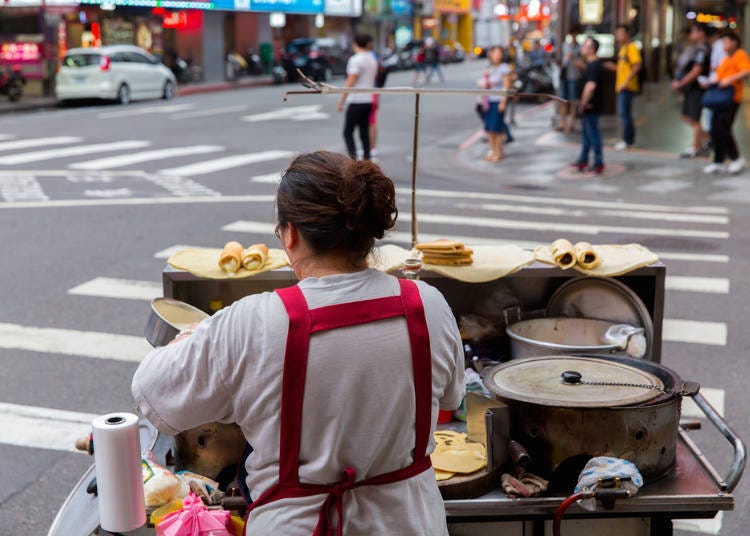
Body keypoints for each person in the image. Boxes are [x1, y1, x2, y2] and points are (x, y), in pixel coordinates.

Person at [132, 151, 465, 535]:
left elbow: (151, 391)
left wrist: (188, 340)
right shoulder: (428, 306)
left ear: (290, 235)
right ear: (367, 234)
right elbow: (453, 398)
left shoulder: (252, 322)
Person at [702, 31, 750, 175]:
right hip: (720, 99)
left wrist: (730, 79)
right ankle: (718, 161)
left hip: (731, 98)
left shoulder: (740, 55)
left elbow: (746, 71)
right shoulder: (726, 59)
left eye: (726, 42)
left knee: (723, 128)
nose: (724, 45)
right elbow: (720, 75)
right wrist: (711, 81)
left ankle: (736, 158)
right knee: (716, 129)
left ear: (734, 42)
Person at [671, 23, 711, 158]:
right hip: (691, 87)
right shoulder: (695, 48)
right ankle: (707, 140)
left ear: (701, 33)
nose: (691, 35)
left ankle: (695, 146)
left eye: (694, 32)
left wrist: (681, 83)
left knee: (694, 117)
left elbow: (696, 70)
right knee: (687, 116)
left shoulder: (703, 50)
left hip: (697, 88)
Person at [337, 34, 378, 160]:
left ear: (355, 44)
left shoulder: (356, 60)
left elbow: (351, 81)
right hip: (368, 100)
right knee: (364, 133)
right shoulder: (372, 59)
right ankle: (367, 159)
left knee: (347, 132)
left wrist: (341, 100)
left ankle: (353, 161)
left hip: (356, 101)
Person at [572, 37, 605, 174]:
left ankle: (598, 162)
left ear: (592, 49)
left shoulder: (594, 65)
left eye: (585, 46)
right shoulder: (590, 64)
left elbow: (590, 86)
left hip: (591, 105)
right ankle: (583, 159)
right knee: (586, 133)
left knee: (593, 133)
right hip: (589, 105)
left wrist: (583, 104)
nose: (582, 48)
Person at [605, 24, 641, 150]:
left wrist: (625, 82)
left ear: (627, 34)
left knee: (625, 115)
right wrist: (613, 67)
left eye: (621, 33)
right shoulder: (623, 49)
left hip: (627, 87)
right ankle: (628, 140)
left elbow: (637, 66)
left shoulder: (631, 48)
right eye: (617, 33)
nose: (618, 36)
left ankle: (628, 140)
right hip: (622, 86)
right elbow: (624, 68)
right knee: (625, 114)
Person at [483, 46, 512, 162]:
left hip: (498, 101)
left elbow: (506, 87)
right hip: (488, 101)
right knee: (489, 128)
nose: (496, 55)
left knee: (497, 128)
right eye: (494, 53)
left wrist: (503, 102)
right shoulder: (489, 68)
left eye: (498, 53)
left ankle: (498, 152)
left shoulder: (504, 68)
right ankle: (493, 150)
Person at [558, 25, 584, 133]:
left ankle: (571, 123)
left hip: (574, 76)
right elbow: (561, 62)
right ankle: (563, 123)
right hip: (564, 76)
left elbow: (581, 64)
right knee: (563, 100)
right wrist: (566, 59)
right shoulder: (564, 45)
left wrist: (573, 58)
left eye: (576, 33)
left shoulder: (580, 47)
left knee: (573, 101)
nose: (574, 36)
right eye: (572, 33)